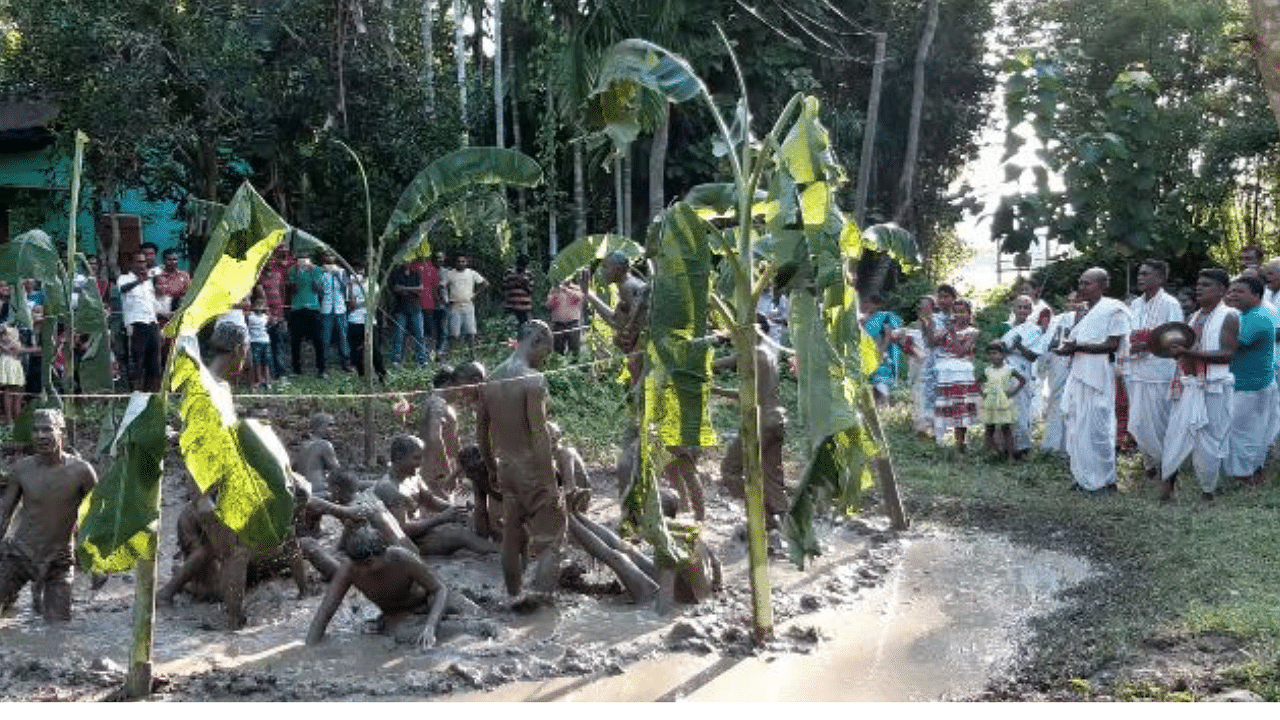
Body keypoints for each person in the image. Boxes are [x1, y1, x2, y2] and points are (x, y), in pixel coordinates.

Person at [478, 320, 563, 597]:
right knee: (551, 541)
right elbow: (539, 435)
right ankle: (541, 608)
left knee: (511, 538)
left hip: (506, 470)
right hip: (532, 470)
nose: (544, 360)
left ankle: (513, 598)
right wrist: (550, 483)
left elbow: (481, 432)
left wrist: (491, 467)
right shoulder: (532, 380)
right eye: (545, 352)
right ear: (537, 340)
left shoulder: (490, 380)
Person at [0, 409, 97, 621]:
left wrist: (97, 563)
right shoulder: (21, 470)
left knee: (58, 628)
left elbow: (98, 517)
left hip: (59, 559)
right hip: (21, 555)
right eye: (35, 430)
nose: (40, 436)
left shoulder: (82, 471)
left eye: (47, 429)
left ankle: (35, 598)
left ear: (61, 431)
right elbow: (4, 513)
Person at [566, 489, 721, 612]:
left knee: (617, 558)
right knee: (628, 552)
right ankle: (575, 515)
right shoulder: (687, 528)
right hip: (685, 593)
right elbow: (716, 564)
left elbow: (626, 544)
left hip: (673, 600)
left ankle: (568, 517)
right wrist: (715, 588)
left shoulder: (660, 531)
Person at [1161, 269, 1239, 501]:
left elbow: (1227, 355)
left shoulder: (1230, 315)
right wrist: (1176, 354)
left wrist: (1187, 353)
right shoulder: (1194, 317)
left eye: (1206, 284)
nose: (1199, 288)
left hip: (1215, 386)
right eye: (1198, 283)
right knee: (1175, 435)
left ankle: (1208, 492)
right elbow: (1186, 351)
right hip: (1190, 385)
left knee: (1211, 441)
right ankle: (1167, 488)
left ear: (1222, 290)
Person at [304, 524, 449, 648]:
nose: (362, 570)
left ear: (384, 554)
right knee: (401, 635)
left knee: (462, 615)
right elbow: (324, 614)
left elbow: (440, 589)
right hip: (396, 616)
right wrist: (308, 649)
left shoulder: (402, 558)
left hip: (427, 604)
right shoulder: (349, 569)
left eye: (368, 564)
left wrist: (431, 626)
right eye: (357, 565)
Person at [1057, 268, 1132, 493]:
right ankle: (1083, 478)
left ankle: (1104, 481)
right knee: (1077, 425)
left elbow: (1112, 344)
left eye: (1087, 283)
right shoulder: (1082, 313)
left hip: (1099, 373)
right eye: (1080, 283)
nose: (1081, 288)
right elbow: (1072, 340)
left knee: (1098, 427)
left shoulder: (1115, 309)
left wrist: (1078, 347)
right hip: (1079, 371)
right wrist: (1068, 348)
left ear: (1103, 286)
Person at [715, 315, 787, 529]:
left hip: (760, 422)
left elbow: (717, 365)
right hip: (777, 419)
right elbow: (753, 392)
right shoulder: (768, 353)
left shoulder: (752, 354)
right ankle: (787, 525)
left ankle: (762, 515)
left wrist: (713, 388)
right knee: (772, 476)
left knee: (730, 470)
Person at [374, 434, 496, 557]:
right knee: (461, 536)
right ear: (399, 458)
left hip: (420, 530)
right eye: (416, 458)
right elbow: (401, 530)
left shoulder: (413, 477)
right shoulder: (389, 488)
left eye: (422, 458)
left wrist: (457, 510)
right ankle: (499, 552)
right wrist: (441, 518)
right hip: (405, 543)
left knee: (465, 527)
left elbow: (430, 501)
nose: (421, 463)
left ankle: (494, 548)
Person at [1123, 259, 1185, 482]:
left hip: (1160, 371)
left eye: (1146, 274)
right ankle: (1151, 463)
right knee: (1138, 422)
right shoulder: (1135, 305)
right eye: (1139, 273)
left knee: (1159, 421)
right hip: (1136, 370)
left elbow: (1177, 336)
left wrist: (1149, 344)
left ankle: (1167, 467)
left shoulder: (1171, 304)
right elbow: (1128, 332)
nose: (1140, 277)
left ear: (1160, 278)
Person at [1224, 274, 1277, 488]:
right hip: (1254, 381)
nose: (1233, 295)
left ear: (1256, 295)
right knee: (1254, 431)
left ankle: (1245, 477)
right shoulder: (1249, 313)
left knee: (1241, 432)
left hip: (1251, 384)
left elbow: (1232, 346)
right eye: (1232, 291)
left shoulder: (1258, 316)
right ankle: (1252, 472)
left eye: (1240, 291)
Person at [585, 253, 649, 385]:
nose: (603, 272)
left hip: (646, 344)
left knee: (635, 369)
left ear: (618, 269)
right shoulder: (627, 286)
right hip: (642, 343)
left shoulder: (628, 287)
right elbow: (616, 320)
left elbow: (619, 323)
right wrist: (588, 294)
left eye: (605, 267)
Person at [930, 297, 980, 452]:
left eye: (963, 312)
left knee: (960, 405)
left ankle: (960, 442)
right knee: (946, 404)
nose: (959, 315)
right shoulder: (947, 330)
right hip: (946, 372)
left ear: (970, 314)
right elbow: (933, 343)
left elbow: (961, 352)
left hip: (961, 373)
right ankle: (942, 438)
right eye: (956, 312)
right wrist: (941, 330)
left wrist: (952, 332)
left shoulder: (972, 332)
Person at [1001, 294, 1047, 458]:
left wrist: (1018, 345)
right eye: (1019, 307)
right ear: (1013, 308)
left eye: (1026, 307)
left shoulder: (1034, 330)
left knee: (1020, 408)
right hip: (1003, 370)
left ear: (1030, 310)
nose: (1022, 310)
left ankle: (1021, 448)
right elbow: (995, 349)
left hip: (1021, 370)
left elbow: (1033, 356)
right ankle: (1004, 447)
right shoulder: (1005, 327)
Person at [118, 250, 163, 392]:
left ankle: (153, 394)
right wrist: (139, 281)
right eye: (138, 262)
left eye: (144, 262)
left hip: (151, 324)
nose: (142, 265)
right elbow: (123, 289)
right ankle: (136, 394)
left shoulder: (149, 282)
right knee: (137, 362)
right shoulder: (124, 278)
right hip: (136, 325)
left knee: (154, 362)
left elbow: (152, 304)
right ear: (132, 264)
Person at [292, 413, 342, 537]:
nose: (334, 429)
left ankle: (313, 528)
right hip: (319, 495)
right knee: (348, 490)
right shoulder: (325, 445)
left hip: (301, 495)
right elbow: (338, 473)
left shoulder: (301, 446)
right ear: (319, 427)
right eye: (330, 425)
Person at [978, 341, 1026, 461]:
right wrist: (983, 393)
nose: (993, 356)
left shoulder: (1009, 369)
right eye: (990, 354)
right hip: (991, 402)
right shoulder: (987, 370)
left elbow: (1022, 380)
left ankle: (1010, 456)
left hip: (1003, 402)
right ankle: (995, 452)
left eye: (995, 353)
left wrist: (1013, 391)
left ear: (1003, 355)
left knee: (1006, 429)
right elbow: (977, 382)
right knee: (989, 429)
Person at [419, 367, 462, 497]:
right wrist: (449, 472)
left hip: (438, 467)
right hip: (437, 471)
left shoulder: (435, 402)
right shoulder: (438, 404)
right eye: (458, 388)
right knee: (444, 511)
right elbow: (435, 437)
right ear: (449, 384)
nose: (460, 393)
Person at [345, 259, 385, 383]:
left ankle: (381, 375)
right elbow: (351, 306)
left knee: (374, 350)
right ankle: (362, 376)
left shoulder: (373, 283)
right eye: (357, 269)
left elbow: (374, 304)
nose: (359, 272)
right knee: (356, 351)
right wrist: (351, 287)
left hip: (369, 321)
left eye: (362, 269)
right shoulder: (350, 284)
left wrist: (361, 303)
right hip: (354, 320)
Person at [287, 253, 326, 377]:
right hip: (297, 308)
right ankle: (296, 369)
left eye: (305, 260)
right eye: (300, 260)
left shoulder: (318, 270)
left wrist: (312, 273)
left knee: (318, 340)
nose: (303, 262)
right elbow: (294, 290)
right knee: (295, 341)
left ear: (310, 260)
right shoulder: (292, 270)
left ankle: (322, 369)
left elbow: (317, 289)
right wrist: (298, 274)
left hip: (313, 308)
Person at [257, 245, 292, 379]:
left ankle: (281, 372)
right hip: (265, 314)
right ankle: (268, 373)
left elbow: (282, 293)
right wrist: (269, 315)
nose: (270, 263)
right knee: (266, 345)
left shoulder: (278, 275)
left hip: (279, 314)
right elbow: (260, 297)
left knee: (279, 344)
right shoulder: (259, 277)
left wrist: (281, 314)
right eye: (267, 261)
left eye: (272, 260)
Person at [862, 293, 902, 407]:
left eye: (870, 302)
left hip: (881, 361)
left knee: (882, 395)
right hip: (865, 361)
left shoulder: (884, 318)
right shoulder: (862, 321)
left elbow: (889, 338)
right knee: (872, 398)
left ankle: (887, 420)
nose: (866, 305)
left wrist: (886, 340)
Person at [444, 254, 488, 359]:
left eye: (463, 261)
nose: (461, 263)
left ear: (466, 263)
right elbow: (441, 286)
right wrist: (445, 299)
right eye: (459, 261)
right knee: (454, 334)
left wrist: (475, 295)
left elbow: (485, 283)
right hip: (455, 305)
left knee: (471, 333)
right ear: (456, 263)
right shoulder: (450, 274)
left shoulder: (472, 273)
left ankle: (472, 355)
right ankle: (453, 355)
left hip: (468, 305)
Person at [389, 260, 427, 368]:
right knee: (399, 336)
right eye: (405, 260)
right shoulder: (396, 273)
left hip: (415, 308)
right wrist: (413, 290)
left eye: (409, 260)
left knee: (419, 335)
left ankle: (422, 360)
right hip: (400, 309)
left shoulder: (416, 273)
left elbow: (420, 289)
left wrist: (404, 288)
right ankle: (396, 360)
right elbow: (396, 289)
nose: (407, 262)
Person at [317, 251, 351, 372]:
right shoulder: (320, 271)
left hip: (340, 307)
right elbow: (317, 289)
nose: (329, 257)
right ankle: (324, 366)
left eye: (331, 255)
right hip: (326, 308)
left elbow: (346, 287)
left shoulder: (341, 271)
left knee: (343, 336)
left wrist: (336, 274)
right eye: (326, 255)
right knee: (325, 338)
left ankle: (346, 363)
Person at [414, 252, 442, 361]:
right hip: (415, 304)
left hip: (428, 304)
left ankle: (426, 353)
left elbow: (435, 288)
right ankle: (421, 353)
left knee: (427, 330)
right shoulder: (415, 265)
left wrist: (436, 301)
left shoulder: (432, 269)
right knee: (420, 330)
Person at [545, 279, 585, 357]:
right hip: (558, 324)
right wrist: (555, 295)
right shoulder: (554, 290)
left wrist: (565, 290)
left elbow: (579, 297)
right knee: (558, 349)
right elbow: (548, 306)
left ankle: (574, 365)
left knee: (574, 348)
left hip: (572, 323)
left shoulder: (575, 288)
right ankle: (559, 363)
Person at [0, 322, 25, 425]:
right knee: (8, 391)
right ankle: (9, 420)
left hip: (16, 361)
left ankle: (17, 419)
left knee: (17, 391)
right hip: (7, 360)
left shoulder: (17, 328)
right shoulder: (3, 326)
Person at [502, 255, 534, 329]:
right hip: (511, 306)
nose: (522, 268)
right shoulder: (509, 272)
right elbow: (504, 286)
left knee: (525, 328)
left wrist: (524, 284)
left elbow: (531, 290)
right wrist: (515, 283)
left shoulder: (529, 274)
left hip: (524, 307)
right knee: (511, 329)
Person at [246, 301, 273, 390]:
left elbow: (269, 325)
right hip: (255, 341)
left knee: (265, 362)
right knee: (257, 362)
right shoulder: (250, 316)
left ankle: (267, 381)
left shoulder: (265, 317)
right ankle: (259, 380)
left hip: (264, 341)